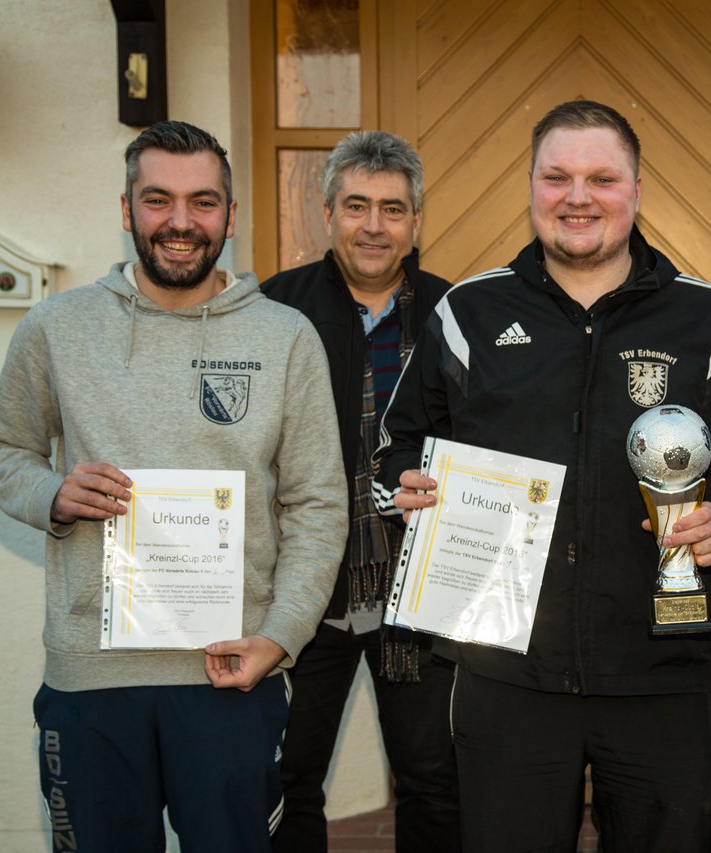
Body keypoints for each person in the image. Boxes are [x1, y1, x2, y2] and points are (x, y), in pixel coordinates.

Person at [373, 99, 711, 852]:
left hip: (663, 673)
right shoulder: (468, 313)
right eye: (556, 176)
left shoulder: (710, 321)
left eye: (602, 178)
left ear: (636, 191)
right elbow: (394, 451)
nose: (577, 197)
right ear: (530, 186)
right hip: (507, 675)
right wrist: (407, 483)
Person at [0, 121, 348, 853]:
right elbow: (3, 448)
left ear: (230, 216)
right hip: (91, 679)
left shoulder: (285, 337)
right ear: (126, 210)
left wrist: (280, 636)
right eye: (158, 200)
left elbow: (316, 504)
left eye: (203, 202)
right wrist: (51, 493)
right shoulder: (56, 328)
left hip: (230, 674)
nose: (181, 222)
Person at [261, 130, 459, 853]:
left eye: (392, 209)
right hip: (303, 589)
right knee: (288, 776)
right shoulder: (272, 311)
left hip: (419, 589)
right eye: (356, 206)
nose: (374, 225)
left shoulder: (455, 315)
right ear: (326, 214)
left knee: (434, 778)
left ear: (416, 222)